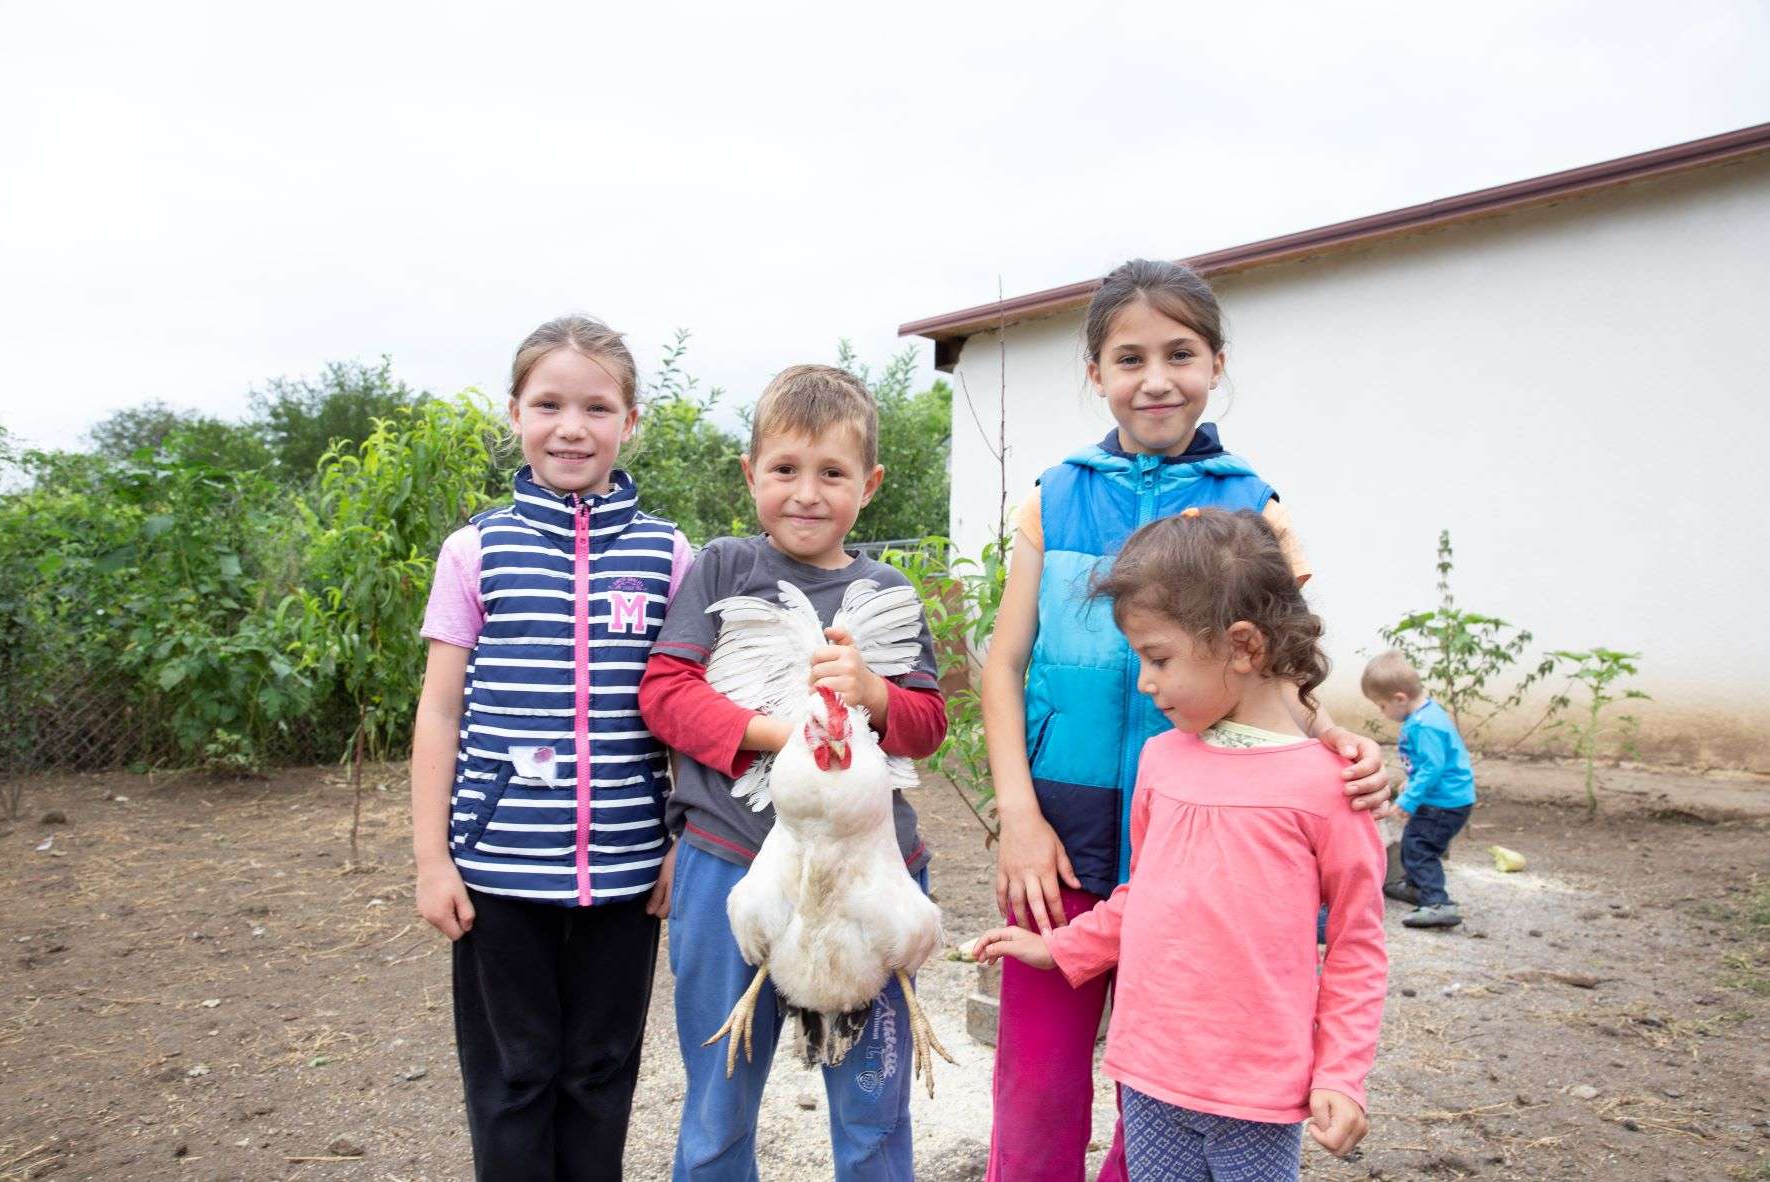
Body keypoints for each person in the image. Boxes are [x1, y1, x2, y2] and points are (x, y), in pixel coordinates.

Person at [978, 258, 1392, 1180]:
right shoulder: (1051, 497)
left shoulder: (1258, 506)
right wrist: (1017, 815)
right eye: (1127, 357)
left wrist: (1339, 744)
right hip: (1061, 833)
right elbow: (1002, 666)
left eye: (1179, 353)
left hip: (1206, 852)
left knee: (1166, 1087)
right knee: (1037, 1086)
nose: (1154, 377)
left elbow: (1281, 663)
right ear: (1094, 372)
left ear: (1215, 363)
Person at [637, 364, 949, 1181]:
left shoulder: (887, 591)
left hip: (867, 876)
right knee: (717, 1103)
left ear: (870, 485)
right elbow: (665, 694)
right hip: (730, 863)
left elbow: (925, 729)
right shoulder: (723, 569)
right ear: (750, 475)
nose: (805, 494)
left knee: (873, 1107)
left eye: (832, 473)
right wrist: (789, 735)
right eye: (784, 470)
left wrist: (873, 694)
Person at [409, 315, 694, 1181]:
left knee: (601, 1075)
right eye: (549, 404)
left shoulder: (667, 553)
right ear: (515, 414)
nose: (572, 426)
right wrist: (432, 859)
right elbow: (441, 712)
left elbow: (685, 707)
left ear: (630, 422)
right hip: (496, 873)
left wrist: (681, 841)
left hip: (626, 871)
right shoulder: (475, 551)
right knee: (511, 1079)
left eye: (597, 407)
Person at [1362, 650, 1477, 929]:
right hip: (1449, 797)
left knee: (1419, 847)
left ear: (1399, 698)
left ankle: (1437, 902)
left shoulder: (1422, 726)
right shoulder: (1428, 715)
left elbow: (1432, 768)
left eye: (1381, 706)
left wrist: (1409, 798)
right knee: (1417, 842)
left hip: (1443, 803)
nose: (1383, 712)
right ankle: (1415, 886)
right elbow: (1430, 764)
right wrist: (1411, 781)